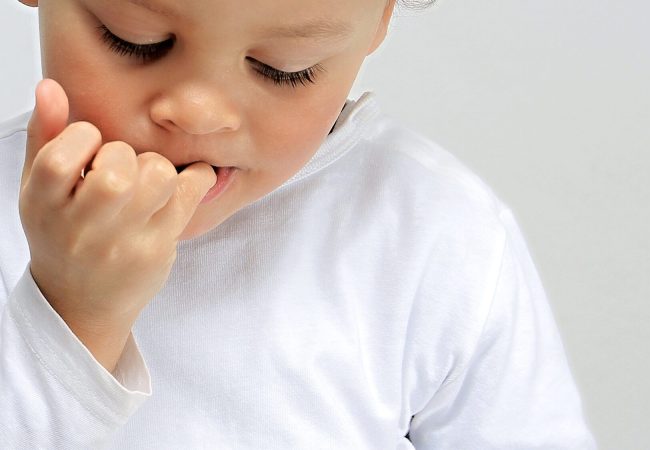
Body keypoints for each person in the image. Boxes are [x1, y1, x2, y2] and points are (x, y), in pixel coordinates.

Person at [0, 0, 597, 448]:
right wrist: (72, 315)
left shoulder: (437, 238)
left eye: (283, 69)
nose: (200, 114)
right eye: (137, 41)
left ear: (381, 19)